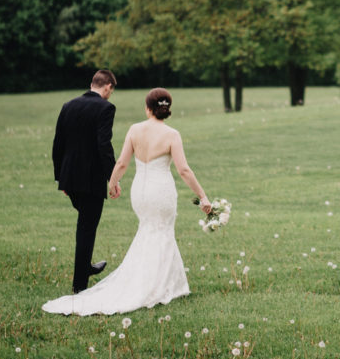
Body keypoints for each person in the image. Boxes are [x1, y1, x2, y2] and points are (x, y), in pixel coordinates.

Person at [43, 88, 213, 315]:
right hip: (160, 191)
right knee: (161, 231)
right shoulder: (172, 134)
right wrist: (202, 196)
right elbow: (183, 169)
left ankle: (156, 281)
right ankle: (159, 285)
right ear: (166, 109)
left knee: (148, 230)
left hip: (140, 193)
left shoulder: (135, 130)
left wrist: (112, 183)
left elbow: (122, 163)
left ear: (147, 108)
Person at [50, 69, 117, 294]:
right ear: (107, 87)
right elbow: (103, 145)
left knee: (85, 224)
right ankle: (79, 284)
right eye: (111, 90)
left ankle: (85, 267)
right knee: (87, 228)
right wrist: (113, 177)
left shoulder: (68, 105)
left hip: (70, 178)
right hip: (91, 179)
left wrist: (61, 178)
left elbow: (58, 144)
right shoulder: (106, 108)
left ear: (92, 84)